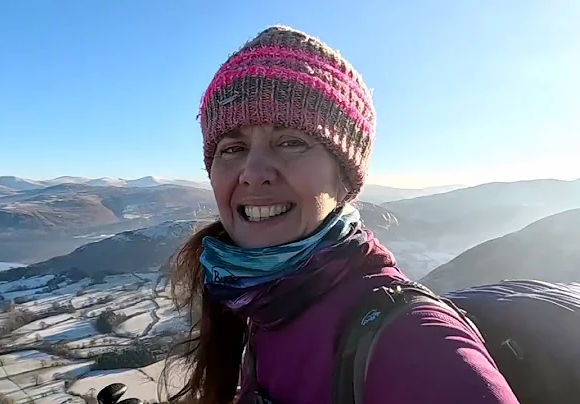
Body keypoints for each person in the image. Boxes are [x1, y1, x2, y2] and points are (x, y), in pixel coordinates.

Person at [164, 26, 520, 404]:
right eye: (232, 148)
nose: (253, 173)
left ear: (344, 175)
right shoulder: (263, 301)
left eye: (291, 142)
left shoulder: (417, 345)